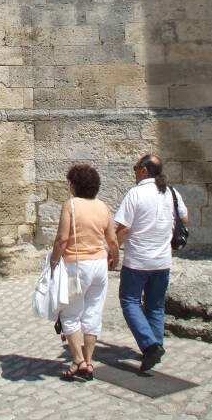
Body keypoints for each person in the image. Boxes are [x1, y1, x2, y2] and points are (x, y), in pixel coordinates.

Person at [115, 154, 188, 371]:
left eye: (135, 168)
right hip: (162, 260)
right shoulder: (171, 192)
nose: (135, 172)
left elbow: (124, 228)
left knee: (129, 301)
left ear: (144, 170)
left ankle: (150, 346)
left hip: (138, 261)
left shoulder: (136, 193)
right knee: (155, 306)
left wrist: (111, 252)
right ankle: (157, 345)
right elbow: (185, 218)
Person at [49, 163, 119, 381]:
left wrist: (53, 262)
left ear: (74, 185)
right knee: (93, 313)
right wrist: (114, 257)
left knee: (70, 314)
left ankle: (78, 360)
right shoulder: (103, 207)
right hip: (99, 265)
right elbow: (112, 240)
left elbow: (61, 239)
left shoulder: (70, 206)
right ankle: (89, 362)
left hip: (75, 267)